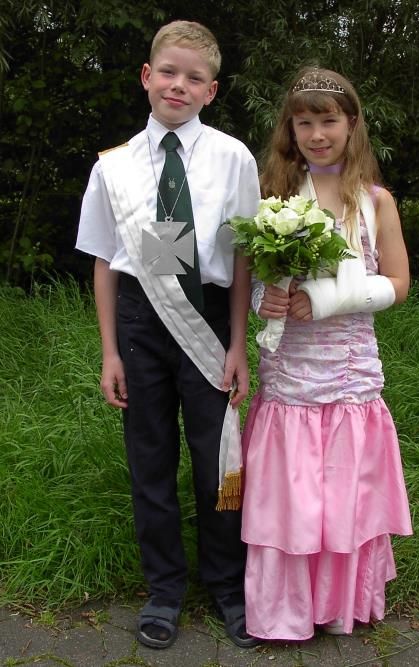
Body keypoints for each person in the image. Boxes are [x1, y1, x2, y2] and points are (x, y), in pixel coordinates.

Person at [76, 21, 260, 650]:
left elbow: (243, 257)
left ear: (212, 91)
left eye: (194, 78)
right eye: (169, 73)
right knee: (150, 459)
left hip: (208, 319)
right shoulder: (115, 167)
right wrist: (109, 351)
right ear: (146, 77)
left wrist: (238, 344)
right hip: (140, 324)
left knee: (219, 462)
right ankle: (163, 590)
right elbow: (105, 261)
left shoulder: (233, 158)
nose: (179, 85)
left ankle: (229, 586)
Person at [241, 66, 412, 640]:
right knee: (292, 494)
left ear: (352, 123)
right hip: (291, 373)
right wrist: (266, 299)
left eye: (329, 121)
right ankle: (284, 609)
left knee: (345, 489)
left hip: (348, 373)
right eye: (304, 123)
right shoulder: (274, 199)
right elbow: (256, 282)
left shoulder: (376, 202)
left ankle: (339, 606)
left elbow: (398, 284)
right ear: (290, 129)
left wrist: (327, 299)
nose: (317, 134)